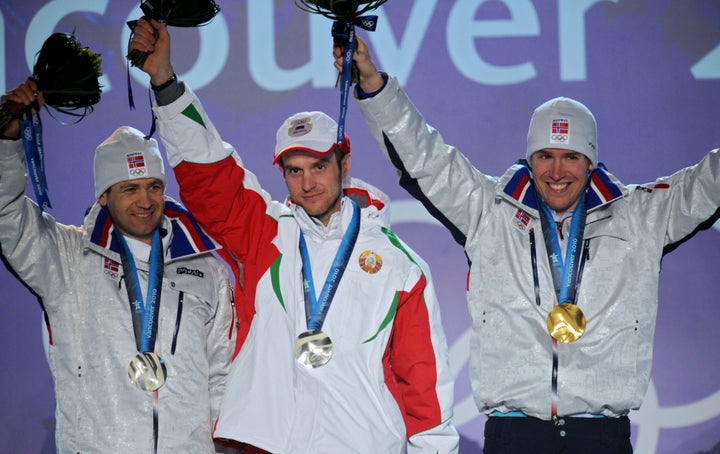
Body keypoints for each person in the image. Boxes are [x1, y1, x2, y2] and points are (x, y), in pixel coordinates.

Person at [334, 37, 720, 453]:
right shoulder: (488, 211)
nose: (557, 171)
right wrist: (373, 84)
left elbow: (706, 183)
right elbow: (425, 157)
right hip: (513, 434)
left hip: (601, 436)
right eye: (544, 156)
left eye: (570, 157)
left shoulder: (640, 218)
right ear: (529, 158)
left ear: (590, 162)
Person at [129, 18, 459, 454]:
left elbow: (422, 378)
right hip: (265, 443)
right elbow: (209, 167)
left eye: (319, 166)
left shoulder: (399, 264)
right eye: (294, 170)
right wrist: (166, 83)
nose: (307, 184)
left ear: (344, 163)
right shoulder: (264, 233)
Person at [0, 79, 236, 453]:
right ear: (104, 195)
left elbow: (223, 376)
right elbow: (6, 213)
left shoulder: (206, 269)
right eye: (129, 189)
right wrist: (7, 140)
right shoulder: (66, 258)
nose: (145, 201)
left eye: (153, 187)